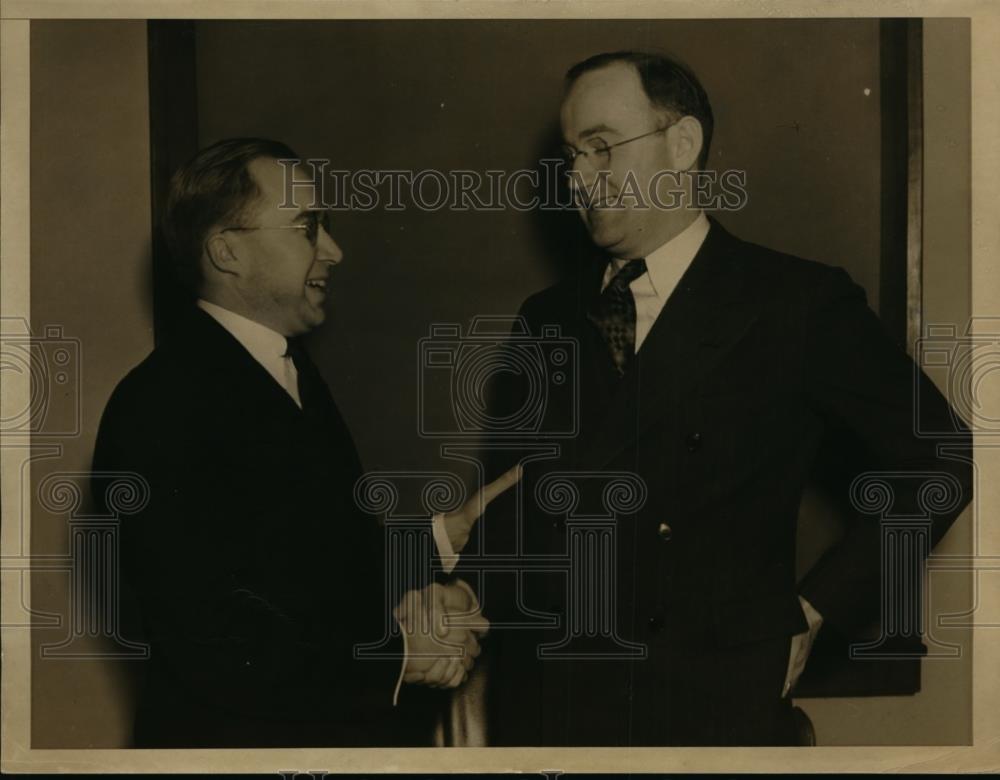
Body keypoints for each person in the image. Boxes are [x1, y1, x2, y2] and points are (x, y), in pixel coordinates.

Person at [467, 51, 974, 746]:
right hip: (550, 708)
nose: (579, 179)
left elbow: (940, 461)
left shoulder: (794, 302)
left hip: (705, 705)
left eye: (601, 149)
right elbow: (516, 504)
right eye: (571, 156)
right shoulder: (546, 317)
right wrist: (461, 595)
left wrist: (819, 606)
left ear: (682, 145)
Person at [91, 138, 517, 747]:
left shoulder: (284, 369)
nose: (334, 250)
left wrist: (444, 536)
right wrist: (397, 658)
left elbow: (309, 566)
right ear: (227, 251)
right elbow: (214, 639)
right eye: (307, 227)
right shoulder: (158, 405)